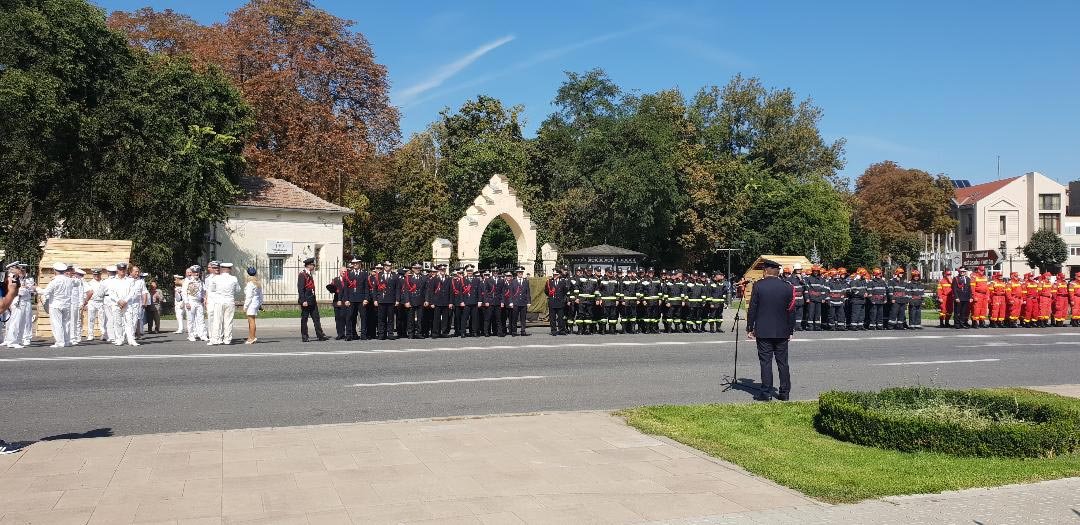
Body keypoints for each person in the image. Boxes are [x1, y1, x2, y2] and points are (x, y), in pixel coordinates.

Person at [746, 259, 796, 402]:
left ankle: (766, 392)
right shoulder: (788, 287)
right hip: (782, 330)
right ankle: (784, 393)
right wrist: (790, 330)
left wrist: (750, 327)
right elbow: (791, 310)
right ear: (778, 272)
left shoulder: (759, 285)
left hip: (763, 330)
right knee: (783, 363)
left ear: (766, 271)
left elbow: (753, 308)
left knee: (766, 362)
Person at [297, 257, 328, 342]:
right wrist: (303, 301)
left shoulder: (309, 274)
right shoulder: (302, 275)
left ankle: (320, 335)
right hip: (306, 301)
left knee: (316, 318)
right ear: (309, 265)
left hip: (312, 300)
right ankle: (305, 336)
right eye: (313, 265)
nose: (314, 266)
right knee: (304, 319)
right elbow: (300, 289)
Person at [243, 266, 263, 344]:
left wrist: (245, 306)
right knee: (252, 321)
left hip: (251, 304)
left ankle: (252, 338)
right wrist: (260, 304)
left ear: (248, 274)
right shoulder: (258, 283)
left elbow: (249, 296)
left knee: (251, 321)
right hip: (255, 303)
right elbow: (261, 296)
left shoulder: (250, 284)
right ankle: (251, 336)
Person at [329, 267, 350, 340]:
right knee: (338, 318)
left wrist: (348, 300)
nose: (343, 272)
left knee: (345, 318)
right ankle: (340, 334)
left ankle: (347, 334)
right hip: (337, 301)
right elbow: (331, 290)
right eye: (342, 271)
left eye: (345, 271)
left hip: (345, 301)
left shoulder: (348, 280)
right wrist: (333, 289)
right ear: (339, 271)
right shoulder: (335, 280)